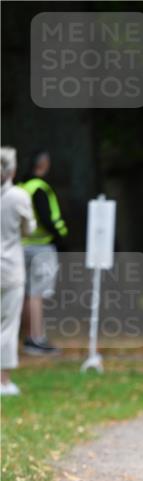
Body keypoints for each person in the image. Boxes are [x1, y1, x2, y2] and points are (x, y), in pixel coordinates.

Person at [19, 150, 68, 356]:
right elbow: (47, 219)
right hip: (41, 247)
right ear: (44, 164)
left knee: (25, 293)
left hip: (21, 246)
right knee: (36, 294)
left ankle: (26, 336)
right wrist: (60, 237)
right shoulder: (40, 188)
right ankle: (35, 338)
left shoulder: (22, 188)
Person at [1, 147, 36, 395]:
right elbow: (29, 229)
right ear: (13, 169)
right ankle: (3, 380)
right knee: (7, 325)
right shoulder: (19, 196)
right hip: (9, 267)